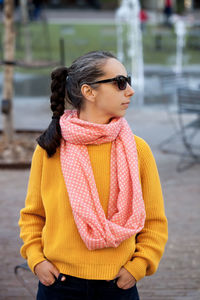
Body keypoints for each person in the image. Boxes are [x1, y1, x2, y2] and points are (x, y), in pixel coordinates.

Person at [18, 50, 168, 300]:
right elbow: (33, 214)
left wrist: (139, 265)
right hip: (58, 284)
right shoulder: (51, 147)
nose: (130, 90)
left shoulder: (138, 150)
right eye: (120, 83)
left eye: (128, 80)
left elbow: (153, 220)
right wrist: (36, 260)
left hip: (117, 286)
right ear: (89, 92)